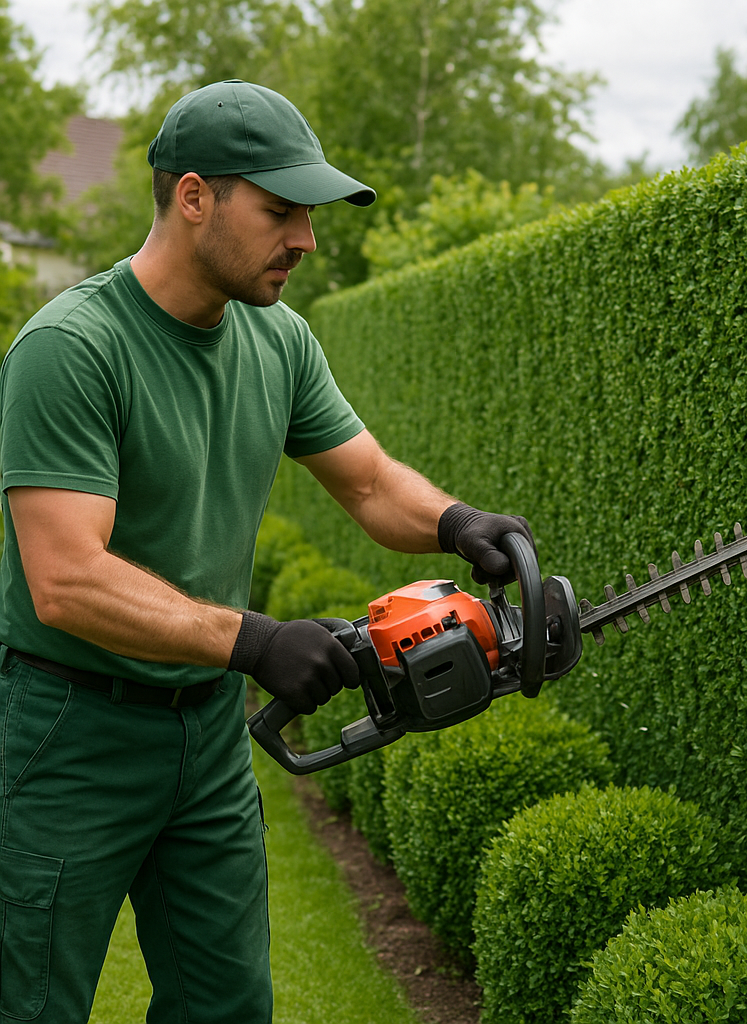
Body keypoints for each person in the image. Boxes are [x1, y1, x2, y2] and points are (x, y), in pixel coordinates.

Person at [0, 79, 533, 1024]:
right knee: (31, 1001)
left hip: (202, 735)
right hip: (66, 732)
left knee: (227, 1005)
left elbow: (368, 483)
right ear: (194, 196)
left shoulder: (278, 340)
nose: (306, 240)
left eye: (310, 215)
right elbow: (66, 579)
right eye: (282, 211)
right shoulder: (72, 348)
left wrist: (459, 523)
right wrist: (253, 641)